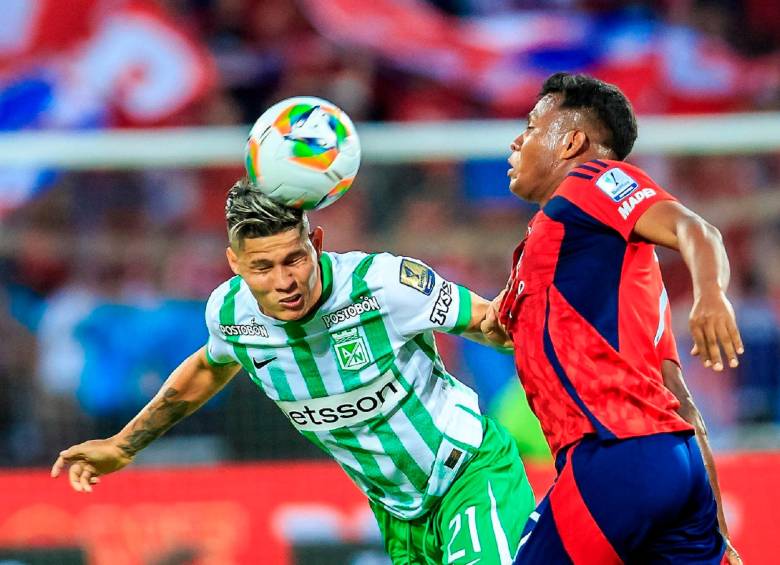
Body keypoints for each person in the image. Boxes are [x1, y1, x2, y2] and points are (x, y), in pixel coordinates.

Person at [51, 179, 535, 565]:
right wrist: (123, 444)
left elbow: (492, 325)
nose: (284, 281)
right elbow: (208, 365)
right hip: (396, 512)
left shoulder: (384, 284)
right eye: (262, 267)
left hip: (469, 472)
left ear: (316, 243)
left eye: (294, 259)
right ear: (234, 264)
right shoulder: (232, 315)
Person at [481, 72, 742, 564]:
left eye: (534, 126)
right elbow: (680, 402)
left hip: (614, 453)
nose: (518, 140)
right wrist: (717, 529)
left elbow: (696, 227)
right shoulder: (613, 277)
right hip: (674, 464)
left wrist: (710, 295)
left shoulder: (592, 181)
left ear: (572, 141)